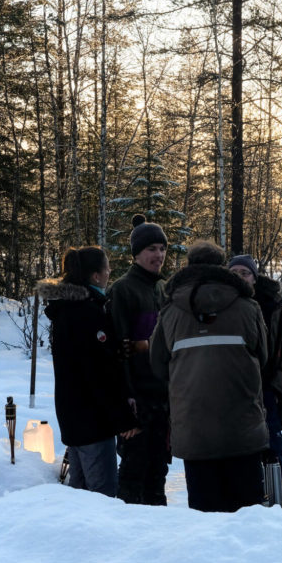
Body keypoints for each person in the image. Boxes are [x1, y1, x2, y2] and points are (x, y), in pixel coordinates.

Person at [150, 241, 270, 512]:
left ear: (190, 267)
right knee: (248, 517)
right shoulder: (247, 307)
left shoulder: (170, 311)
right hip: (242, 428)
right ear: (221, 268)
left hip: (194, 430)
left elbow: (157, 364)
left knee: (205, 518)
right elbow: (263, 356)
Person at [39, 247, 138, 497]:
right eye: (107, 269)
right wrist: (123, 417)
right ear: (96, 276)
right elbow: (99, 372)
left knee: (79, 496)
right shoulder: (87, 314)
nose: (109, 273)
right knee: (101, 498)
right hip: (92, 421)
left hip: (74, 417)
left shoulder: (69, 310)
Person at [227, 255, 282, 497]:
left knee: (272, 447)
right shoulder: (220, 307)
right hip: (231, 392)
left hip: (266, 391)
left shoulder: (273, 307)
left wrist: (276, 388)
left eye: (245, 273)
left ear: (254, 277)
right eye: (235, 272)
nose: (240, 277)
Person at [109, 213, 170, 505]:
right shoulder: (123, 289)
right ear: (136, 254)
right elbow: (118, 349)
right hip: (138, 397)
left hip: (163, 395)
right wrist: (127, 396)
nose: (158, 255)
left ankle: (158, 529)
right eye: (151, 249)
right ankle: (130, 528)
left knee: (159, 469)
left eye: (162, 248)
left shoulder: (162, 288)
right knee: (134, 469)